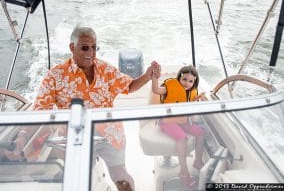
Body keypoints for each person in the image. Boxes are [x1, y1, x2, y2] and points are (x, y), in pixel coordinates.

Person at [33, 25, 160, 191]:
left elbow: (129, 86)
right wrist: (23, 136)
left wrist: (148, 75)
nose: (90, 53)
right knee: (80, 181)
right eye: (85, 48)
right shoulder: (54, 76)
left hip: (110, 132)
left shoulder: (105, 69)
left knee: (121, 178)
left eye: (94, 48)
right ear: (72, 47)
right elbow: (40, 111)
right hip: (75, 137)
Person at [152, 65, 205, 190]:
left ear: (194, 82)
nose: (187, 83)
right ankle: (184, 171)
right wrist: (154, 78)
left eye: (191, 81)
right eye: (184, 79)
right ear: (179, 79)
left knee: (201, 133)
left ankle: (197, 162)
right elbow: (156, 90)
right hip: (167, 120)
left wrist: (196, 100)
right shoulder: (170, 87)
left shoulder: (192, 92)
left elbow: (188, 107)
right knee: (182, 137)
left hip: (183, 120)